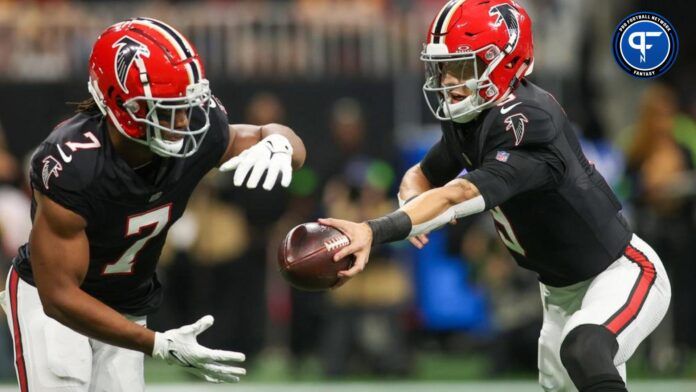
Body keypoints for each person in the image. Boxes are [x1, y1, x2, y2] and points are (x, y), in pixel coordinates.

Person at [319, 1, 670, 391]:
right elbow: (422, 174)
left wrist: (374, 229)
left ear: (502, 62)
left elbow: (457, 195)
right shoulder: (473, 118)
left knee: (585, 348)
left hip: (621, 271)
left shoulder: (528, 120)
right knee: (576, 362)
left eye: (461, 66)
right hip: (558, 292)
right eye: (443, 67)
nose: (449, 80)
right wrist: (414, 205)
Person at [0, 18, 306, 391]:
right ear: (117, 103)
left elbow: (264, 136)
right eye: (163, 109)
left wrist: (281, 142)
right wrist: (159, 344)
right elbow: (59, 297)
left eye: (184, 105)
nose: (181, 121)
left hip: (127, 300)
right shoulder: (73, 164)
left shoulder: (197, 128)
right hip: (59, 303)